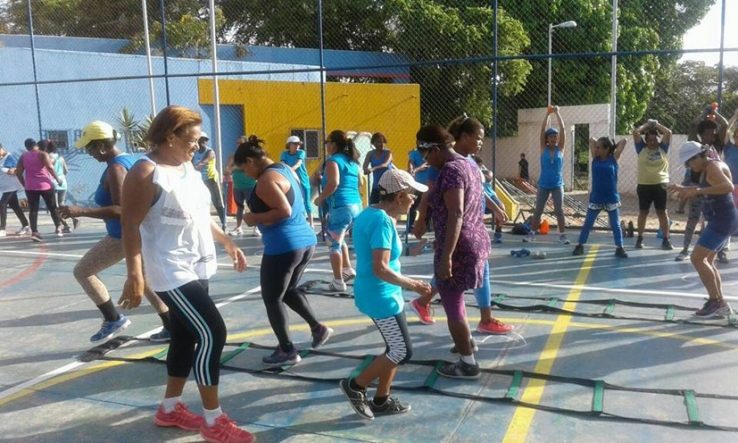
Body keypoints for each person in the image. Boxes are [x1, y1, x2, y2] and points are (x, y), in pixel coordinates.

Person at [120, 106, 252, 443]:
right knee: (213, 332)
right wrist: (135, 274)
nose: (198, 145)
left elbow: (196, 213)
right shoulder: (145, 172)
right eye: (192, 139)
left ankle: (169, 409)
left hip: (197, 263)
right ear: (169, 137)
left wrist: (226, 241)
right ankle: (213, 420)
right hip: (170, 269)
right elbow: (130, 224)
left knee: (185, 336)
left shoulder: (187, 167)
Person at [58, 121, 171, 343]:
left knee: (83, 271)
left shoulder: (116, 168)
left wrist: (80, 210)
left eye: (89, 148)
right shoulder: (131, 159)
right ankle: (171, 325)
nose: (88, 153)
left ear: (101, 146)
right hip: (140, 232)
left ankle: (112, 318)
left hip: (123, 236)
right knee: (145, 280)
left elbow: (122, 210)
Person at [339, 168, 432, 420]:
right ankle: (355, 385)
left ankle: (381, 399)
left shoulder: (374, 215)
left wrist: (414, 251)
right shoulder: (381, 220)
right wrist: (413, 284)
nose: (415, 199)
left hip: (385, 293)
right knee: (402, 351)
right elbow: (380, 268)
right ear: (400, 196)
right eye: (412, 195)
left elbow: (385, 257)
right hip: (380, 295)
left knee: (395, 347)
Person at [234, 135, 332, 365]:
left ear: (250, 161)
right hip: (304, 241)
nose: (246, 175)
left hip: (285, 245)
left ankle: (287, 350)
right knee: (287, 291)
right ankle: (318, 329)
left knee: (271, 297)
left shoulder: (267, 179)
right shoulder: (284, 168)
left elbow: (284, 211)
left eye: (243, 169)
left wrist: (252, 217)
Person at [410, 117, 512, 336]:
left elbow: (476, 189)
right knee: (453, 278)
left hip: (471, 231)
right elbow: (433, 195)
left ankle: (429, 304)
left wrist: (494, 207)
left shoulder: (466, 162)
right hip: (458, 233)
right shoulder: (442, 162)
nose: (480, 143)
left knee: (461, 274)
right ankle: (469, 340)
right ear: (463, 137)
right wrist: (421, 219)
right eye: (478, 138)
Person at [417, 124, 489, 379]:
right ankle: (466, 343)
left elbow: (456, 212)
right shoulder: (469, 164)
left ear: (434, 149)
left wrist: (446, 255)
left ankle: (468, 363)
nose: (426, 161)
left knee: (453, 304)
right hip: (476, 240)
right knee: (456, 298)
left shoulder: (450, 171)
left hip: (459, 246)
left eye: (426, 155)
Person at [669, 141, 736, 317]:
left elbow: (728, 186)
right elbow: (706, 188)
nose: (690, 166)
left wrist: (696, 190)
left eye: (691, 162)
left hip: (722, 220)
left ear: (700, 156)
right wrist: (684, 189)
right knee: (707, 260)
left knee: (697, 258)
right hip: (720, 219)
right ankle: (719, 301)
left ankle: (716, 302)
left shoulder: (712, 167)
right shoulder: (707, 167)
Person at [314, 130, 363, 292]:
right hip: (356, 206)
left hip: (341, 207)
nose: (326, 146)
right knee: (341, 239)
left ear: (334, 144)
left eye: (327, 142)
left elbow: (333, 184)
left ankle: (338, 281)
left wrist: (320, 198)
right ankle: (347, 268)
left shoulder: (333, 161)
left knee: (333, 243)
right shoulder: (352, 162)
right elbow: (360, 184)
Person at [572, 137, 628, 258]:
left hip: (611, 198)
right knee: (588, 223)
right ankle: (580, 245)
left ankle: (620, 248)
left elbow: (624, 141)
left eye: (599, 147)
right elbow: (591, 139)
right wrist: (598, 143)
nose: (595, 149)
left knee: (615, 224)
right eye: (596, 147)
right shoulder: (595, 159)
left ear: (606, 149)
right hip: (596, 198)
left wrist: (613, 147)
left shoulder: (614, 158)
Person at [530, 106, 569, 244]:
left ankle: (563, 234)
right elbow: (542, 131)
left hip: (557, 184)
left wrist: (557, 113)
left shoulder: (561, 149)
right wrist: (547, 114)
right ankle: (532, 233)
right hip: (544, 184)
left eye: (555, 136)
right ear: (547, 139)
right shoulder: (543, 148)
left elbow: (563, 130)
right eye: (551, 136)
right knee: (538, 210)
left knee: (559, 210)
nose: (553, 138)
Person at [632, 119, 673, 250]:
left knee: (662, 212)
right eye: (649, 140)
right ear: (646, 141)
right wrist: (647, 125)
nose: (652, 143)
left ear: (658, 139)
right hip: (644, 185)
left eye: (654, 140)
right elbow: (635, 133)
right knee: (643, 212)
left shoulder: (663, 148)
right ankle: (639, 238)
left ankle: (666, 239)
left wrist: (656, 124)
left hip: (660, 185)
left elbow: (668, 133)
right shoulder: (641, 148)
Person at [14, 138, 63, 242]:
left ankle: (35, 232)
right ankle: (58, 228)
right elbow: (50, 167)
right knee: (52, 207)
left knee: (33, 210)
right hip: (45, 185)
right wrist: (58, 179)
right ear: (36, 144)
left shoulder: (23, 156)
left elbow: (18, 172)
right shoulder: (42, 154)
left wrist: (24, 183)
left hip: (30, 187)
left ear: (26, 147)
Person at [192, 132, 227, 231]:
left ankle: (224, 223)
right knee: (201, 202)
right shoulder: (195, 153)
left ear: (206, 141)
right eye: (199, 140)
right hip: (200, 181)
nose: (201, 142)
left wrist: (194, 167)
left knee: (218, 202)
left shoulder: (209, 152)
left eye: (203, 140)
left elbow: (202, 163)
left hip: (211, 179)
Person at [225, 136, 259, 237]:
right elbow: (227, 169)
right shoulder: (233, 156)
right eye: (237, 143)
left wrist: (233, 168)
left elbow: (245, 166)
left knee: (253, 207)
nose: (238, 145)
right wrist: (229, 169)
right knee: (239, 207)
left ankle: (257, 228)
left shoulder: (250, 156)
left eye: (241, 143)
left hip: (250, 185)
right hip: (238, 186)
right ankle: (238, 228)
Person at [41, 139, 77, 234]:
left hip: (53, 183)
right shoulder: (61, 158)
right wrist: (61, 176)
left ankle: (65, 225)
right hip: (63, 182)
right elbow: (66, 170)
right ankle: (73, 218)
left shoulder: (47, 158)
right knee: (62, 204)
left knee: (55, 207)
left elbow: (48, 169)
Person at [281, 135, 313, 227]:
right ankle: (296, 221)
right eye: (294, 144)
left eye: (298, 144)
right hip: (291, 181)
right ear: (289, 145)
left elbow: (298, 163)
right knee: (292, 201)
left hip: (303, 180)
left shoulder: (301, 153)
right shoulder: (284, 154)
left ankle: (311, 223)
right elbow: (282, 164)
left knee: (306, 201)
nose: (297, 146)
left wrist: (290, 170)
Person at [0, 143, 29, 237]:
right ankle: (25, 225)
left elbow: (17, 168)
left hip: (12, 187)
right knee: (15, 206)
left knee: (2, 205)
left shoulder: (9, 157)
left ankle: (2, 229)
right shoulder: (1, 159)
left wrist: (12, 170)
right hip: (5, 187)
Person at [363, 132, 393, 205]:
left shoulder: (388, 153)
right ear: (373, 143)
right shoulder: (370, 154)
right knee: (373, 205)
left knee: (387, 206)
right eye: (378, 142)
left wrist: (373, 168)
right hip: (376, 185)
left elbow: (385, 164)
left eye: (382, 142)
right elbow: (365, 165)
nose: (381, 144)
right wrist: (365, 169)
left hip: (387, 185)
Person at [406, 142, 430, 231]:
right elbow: (411, 166)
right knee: (413, 205)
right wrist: (414, 168)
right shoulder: (414, 153)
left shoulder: (429, 152)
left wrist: (416, 169)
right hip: (417, 185)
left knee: (428, 206)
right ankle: (410, 226)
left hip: (428, 184)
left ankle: (426, 226)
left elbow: (428, 165)